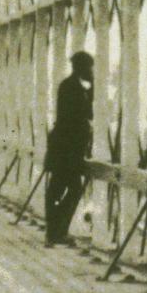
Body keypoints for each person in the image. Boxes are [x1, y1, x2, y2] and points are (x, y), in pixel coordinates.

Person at [44, 51, 93, 246]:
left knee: (59, 190)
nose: (91, 71)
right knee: (69, 189)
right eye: (89, 67)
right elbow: (84, 115)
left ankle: (55, 231)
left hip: (64, 149)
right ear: (81, 67)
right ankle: (56, 230)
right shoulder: (72, 88)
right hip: (68, 151)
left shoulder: (70, 86)